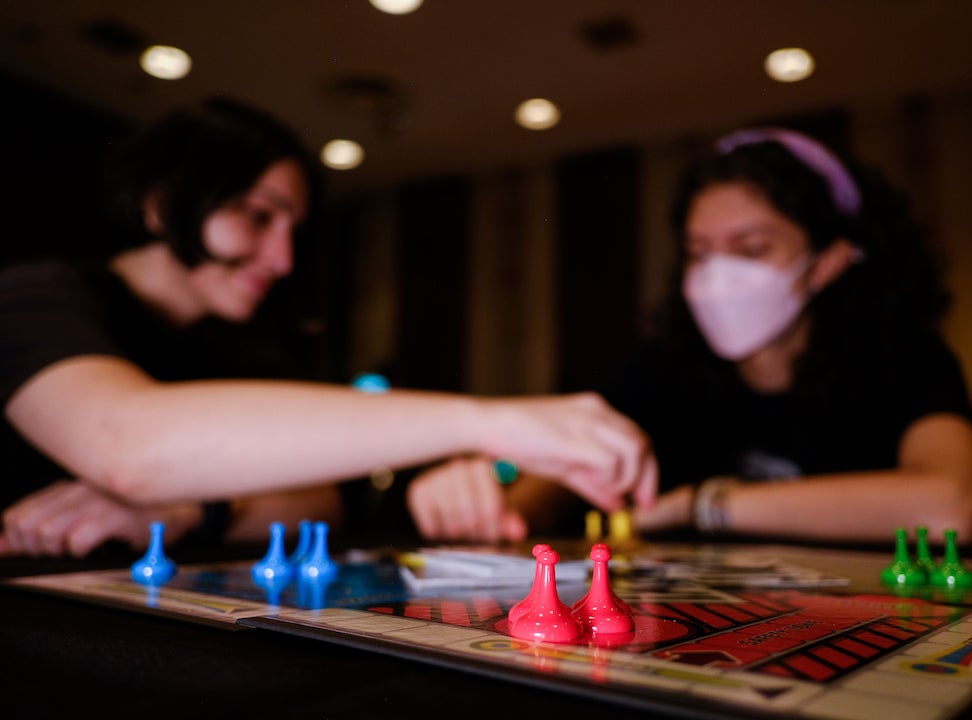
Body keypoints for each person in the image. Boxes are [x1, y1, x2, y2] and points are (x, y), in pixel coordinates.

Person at [0, 97, 657, 558]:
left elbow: (322, 503)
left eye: (293, 230)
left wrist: (188, 512)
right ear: (160, 205)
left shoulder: (245, 340)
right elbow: (127, 447)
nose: (283, 259)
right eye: (257, 216)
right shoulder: (37, 298)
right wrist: (493, 420)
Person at [406, 126, 972, 548]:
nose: (717, 276)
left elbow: (953, 506)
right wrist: (495, 507)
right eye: (698, 252)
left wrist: (702, 505)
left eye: (752, 249)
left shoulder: (904, 359)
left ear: (829, 262)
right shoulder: (662, 371)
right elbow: (552, 479)